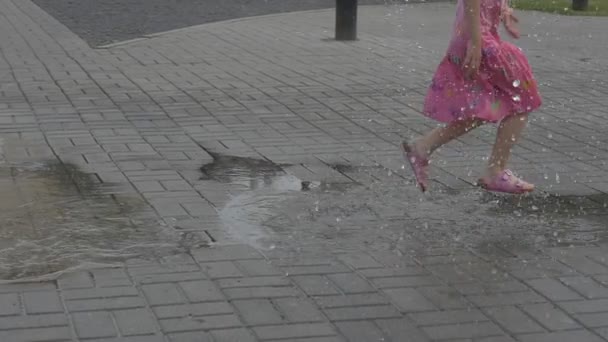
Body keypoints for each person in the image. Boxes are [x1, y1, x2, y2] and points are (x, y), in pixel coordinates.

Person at [402, 0, 542, 194]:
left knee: (485, 107)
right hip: (479, 41)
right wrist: (476, 43)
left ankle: (422, 147)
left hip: (472, 37)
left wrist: (502, 8)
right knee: (523, 98)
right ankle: (495, 170)